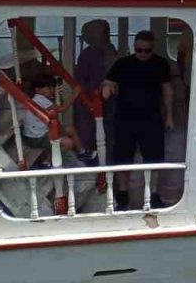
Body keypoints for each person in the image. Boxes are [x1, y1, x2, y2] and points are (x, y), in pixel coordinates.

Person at [101, 30, 174, 210]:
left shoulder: (160, 64)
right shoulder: (123, 64)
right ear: (134, 47)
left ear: (152, 48)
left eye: (146, 50)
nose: (142, 54)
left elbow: (167, 90)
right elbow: (107, 82)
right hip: (125, 117)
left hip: (152, 117)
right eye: (138, 49)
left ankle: (154, 193)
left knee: (155, 157)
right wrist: (107, 87)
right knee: (122, 156)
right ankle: (123, 194)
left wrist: (170, 116)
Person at [73, 19, 118, 154]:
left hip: (93, 97)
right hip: (100, 96)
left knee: (93, 126)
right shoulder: (111, 50)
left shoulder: (88, 54)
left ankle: (91, 151)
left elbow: (81, 77)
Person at [20, 74, 89, 158]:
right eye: (49, 88)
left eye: (53, 87)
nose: (52, 90)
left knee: (70, 129)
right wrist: (75, 94)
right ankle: (47, 162)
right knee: (68, 143)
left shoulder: (38, 98)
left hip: (39, 132)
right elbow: (62, 109)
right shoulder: (40, 99)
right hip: (36, 138)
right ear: (37, 89)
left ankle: (82, 152)